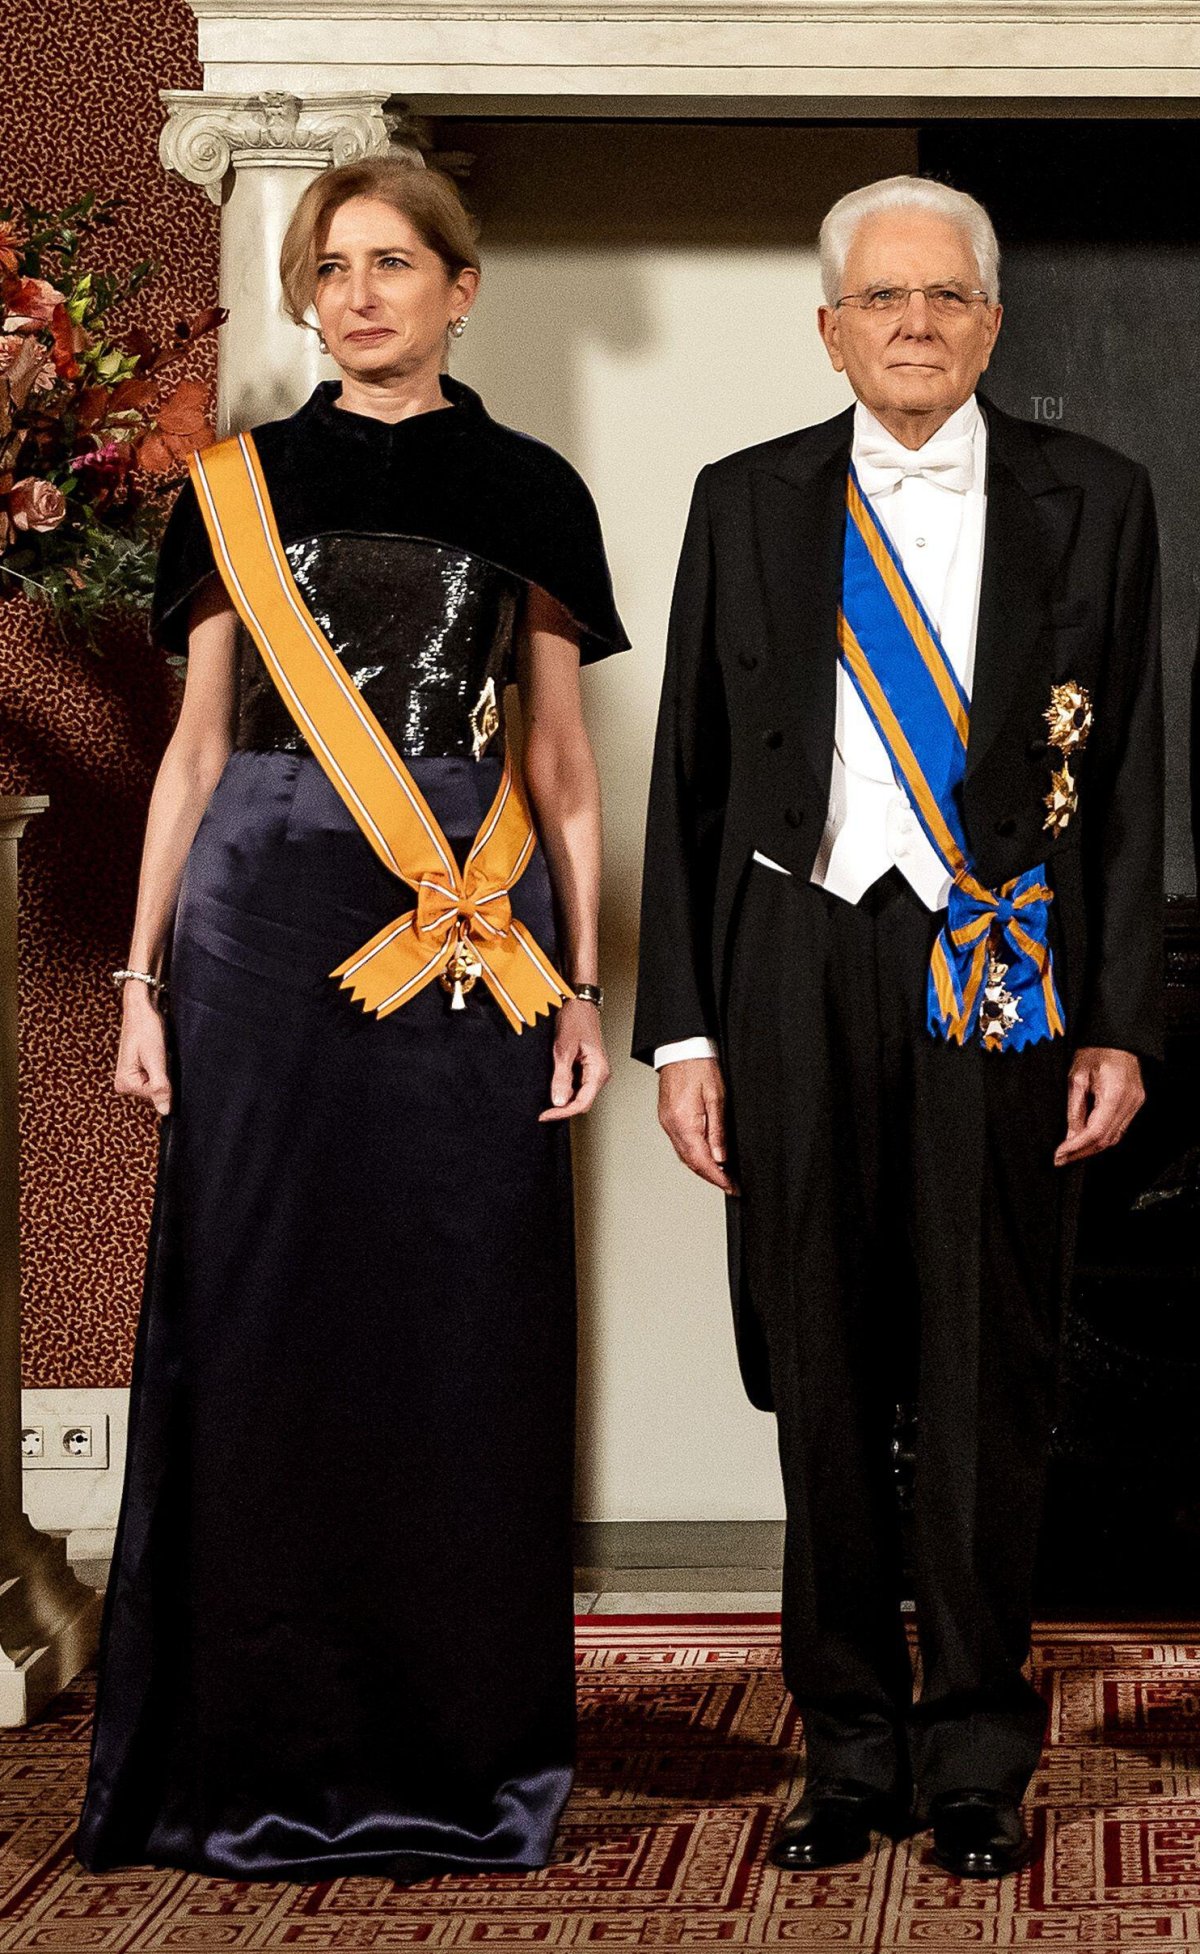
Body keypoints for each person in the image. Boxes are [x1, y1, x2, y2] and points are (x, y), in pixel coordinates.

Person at [76, 154, 627, 1884]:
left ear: (463, 288)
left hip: (464, 932)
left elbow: (562, 763)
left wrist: (586, 987)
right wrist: (141, 982)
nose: (361, 294)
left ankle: (460, 1757)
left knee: (460, 1324)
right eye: (332, 267)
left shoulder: (533, 489)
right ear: (306, 297)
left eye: (394, 262)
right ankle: (255, 1749)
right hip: (259, 929)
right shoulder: (234, 486)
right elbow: (193, 753)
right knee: (263, 1316)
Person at [634, 174, 1162, 1880]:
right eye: (884, 298)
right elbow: (688, 780)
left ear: (991, 324)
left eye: (946, 297)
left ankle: (979, 1751)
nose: (915, 323)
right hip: (794, 956)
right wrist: (685, 1033)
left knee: (987, 1367)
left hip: (1002, 958)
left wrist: (1118, 1019)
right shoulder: (743, 499)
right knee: (823, 1363)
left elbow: (1131, 776)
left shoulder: (1098, 496)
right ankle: (850, 1746)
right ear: (831, 329)